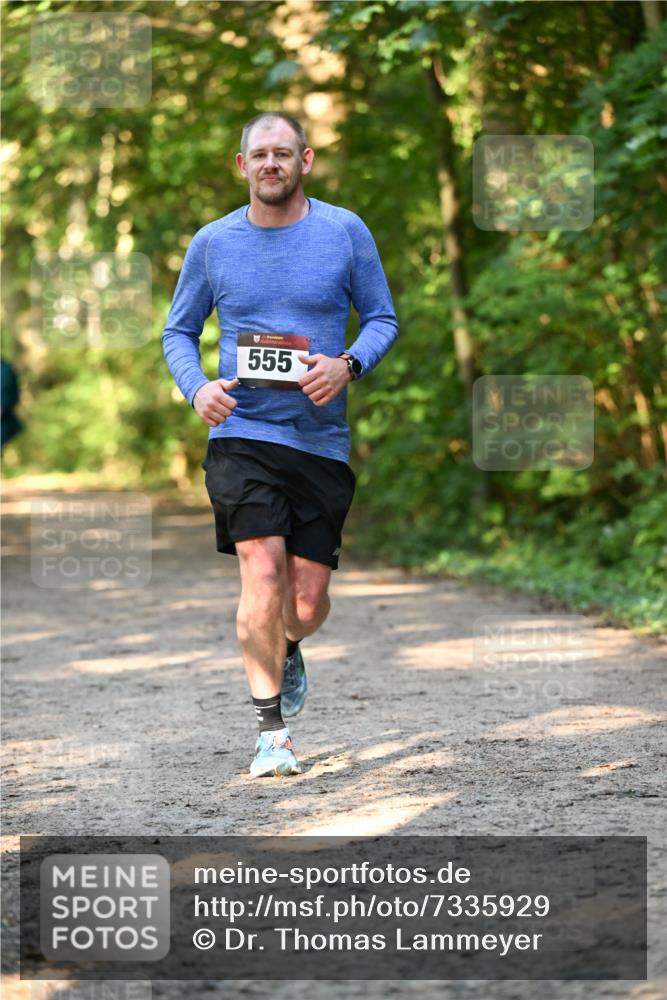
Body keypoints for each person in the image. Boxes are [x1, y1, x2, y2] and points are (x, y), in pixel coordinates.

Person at [162, 111, 398, 778]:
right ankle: (272, 732)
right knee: (261, 572)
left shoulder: (343, 232)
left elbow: (381, 318)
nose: (271, 163)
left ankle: (288, 644)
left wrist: (347, 364)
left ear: (305, 161)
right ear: (242, 165)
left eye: (283, 153)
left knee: (305, 604)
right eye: (260, 154)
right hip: (242, 434)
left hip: (319, 442)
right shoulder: (214, 243)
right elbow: (178, 331)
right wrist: (197, 389)